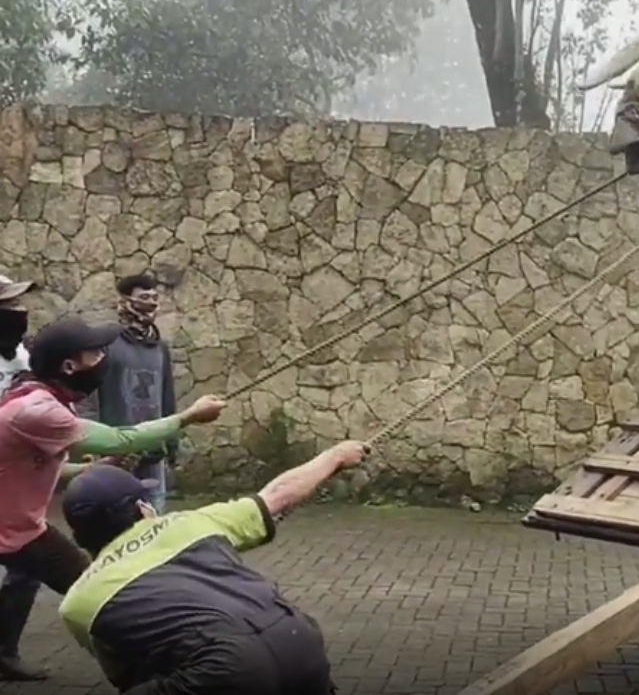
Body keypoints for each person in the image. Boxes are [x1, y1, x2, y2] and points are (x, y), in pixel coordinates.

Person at [0, 315, 227, 681]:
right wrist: (187, 417)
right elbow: (121, 438)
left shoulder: (46, 398)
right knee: (96, 587)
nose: (103, 358)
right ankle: (159, 664)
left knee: (25, 578)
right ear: (69, 366)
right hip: (14, 528)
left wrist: (90, 469)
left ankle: (3, 656)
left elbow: (41, 466)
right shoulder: (37, 410)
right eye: (94, 353)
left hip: (16, 524)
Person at [59, 439, 370, 695]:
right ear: (143, 508)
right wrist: (336, 455)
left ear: (80, 536)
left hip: (223, 670)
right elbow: (279, 494)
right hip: (297, 638)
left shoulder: (78, 602)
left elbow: (124, 672)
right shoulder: (193, 521)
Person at [89, 273, 178, 513]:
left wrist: (172, 442)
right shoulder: (106, 344)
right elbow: (89, 396)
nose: (151, 303)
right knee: (117, 517)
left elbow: (167, 397)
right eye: (143, 297)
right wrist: (93, 446)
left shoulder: (160, 348)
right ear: (125, 300)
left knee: (155, 518)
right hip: (116, 452)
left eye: (154, 298)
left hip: (153, 450)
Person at [0, 274, 45, 680]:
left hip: (14, 481)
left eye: (18, 303)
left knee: (26, 567)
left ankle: (5, 652)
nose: (19, 311)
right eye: (8, 304)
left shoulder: (20, 356)